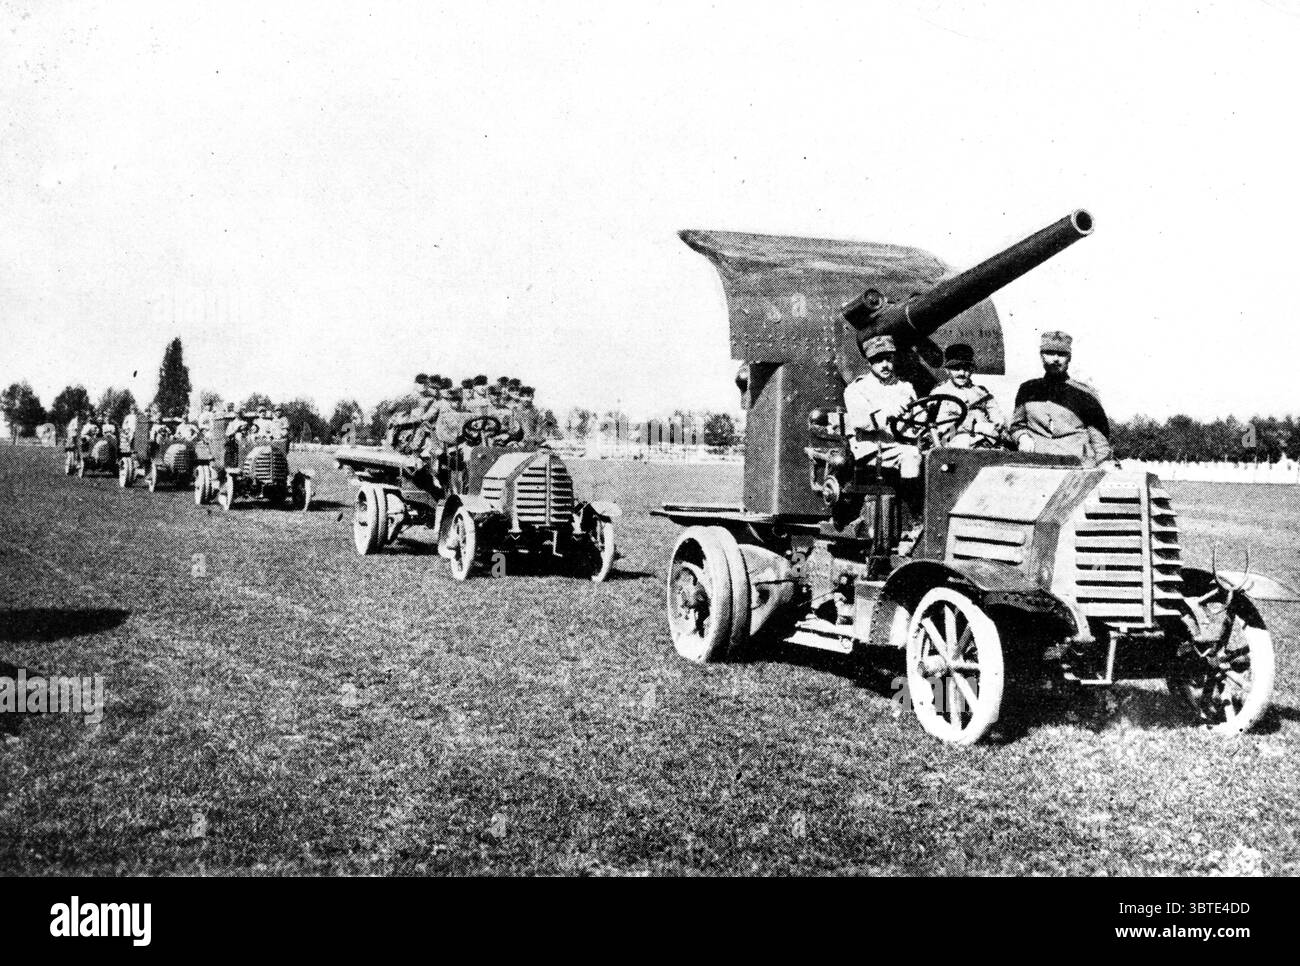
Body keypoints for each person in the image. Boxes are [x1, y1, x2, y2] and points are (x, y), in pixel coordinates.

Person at [1010, 330, 1112, 467]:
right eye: (1050, 353)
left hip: (1077, 464)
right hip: (1036, 462)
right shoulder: (1027, 390)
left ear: (1069, 358)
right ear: (1041, 356)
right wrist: (1022, 437)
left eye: (1062, 354)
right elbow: (1016, 426)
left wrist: (1103, 463)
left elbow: (1099, 438)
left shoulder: (1084, 393)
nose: (1056, 359)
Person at [842, 335, 921, 479]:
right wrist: (888, 413)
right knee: (912, 455)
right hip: (872, 448)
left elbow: (918, 419)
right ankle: (907, 500)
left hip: (901, 445)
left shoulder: (905, 387)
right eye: (878, 360)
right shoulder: (856, 389)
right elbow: (860, 422)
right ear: (869, 362)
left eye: (889, 359)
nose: (885, 365)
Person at [934, 343, 1006, 448]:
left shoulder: (981, 393)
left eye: (966, 368)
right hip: (954, 445)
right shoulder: (939, 394)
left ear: (972, 369)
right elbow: (943, 433)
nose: (962, 373)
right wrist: (974, 427)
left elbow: (996, 416)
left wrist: (998, 423)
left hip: (987, 442)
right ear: (947, 370)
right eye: (956, 368)